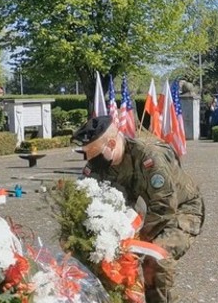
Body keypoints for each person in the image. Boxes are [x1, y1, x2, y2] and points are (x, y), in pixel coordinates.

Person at [72, 116, 205, 303]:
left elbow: (164, 207)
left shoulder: (149, 156)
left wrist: (128, 241)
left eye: (93, 153)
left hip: (180, 211)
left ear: (111, 143)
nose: (89, 160)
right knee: (101, 258)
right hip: (139, 214)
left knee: (155, 260)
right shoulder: (99, 163)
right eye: (86, 154)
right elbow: (85, 198)